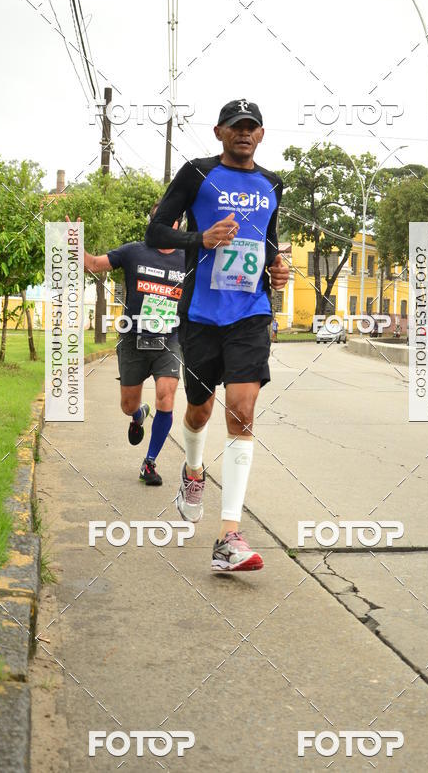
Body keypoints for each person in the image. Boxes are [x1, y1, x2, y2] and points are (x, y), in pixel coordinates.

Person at [146, 99, 289, 573]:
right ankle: (192, 470)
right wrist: (199, 240)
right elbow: (156, 231)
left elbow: (267, 237)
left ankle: (229, 536)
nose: (243, 134)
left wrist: (276, 267)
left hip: (251, 311)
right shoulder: (196, 173)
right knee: (200, 408)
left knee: (243, 410)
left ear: (262, 135)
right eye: (235, 127)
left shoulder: (272, 183)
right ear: (220, 132)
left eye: (251, 128)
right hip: (202, 313)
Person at [73, 204, 184, 486]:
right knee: (127, 404)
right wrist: (76, 244)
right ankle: (138, 415)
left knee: (166, 396)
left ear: (179, 224)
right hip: (134, 338)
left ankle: (149, 463)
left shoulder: (189, 257)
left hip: (169, 339)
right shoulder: (134, 251)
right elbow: (94, 264)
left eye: (170, 219)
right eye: (158, 219)